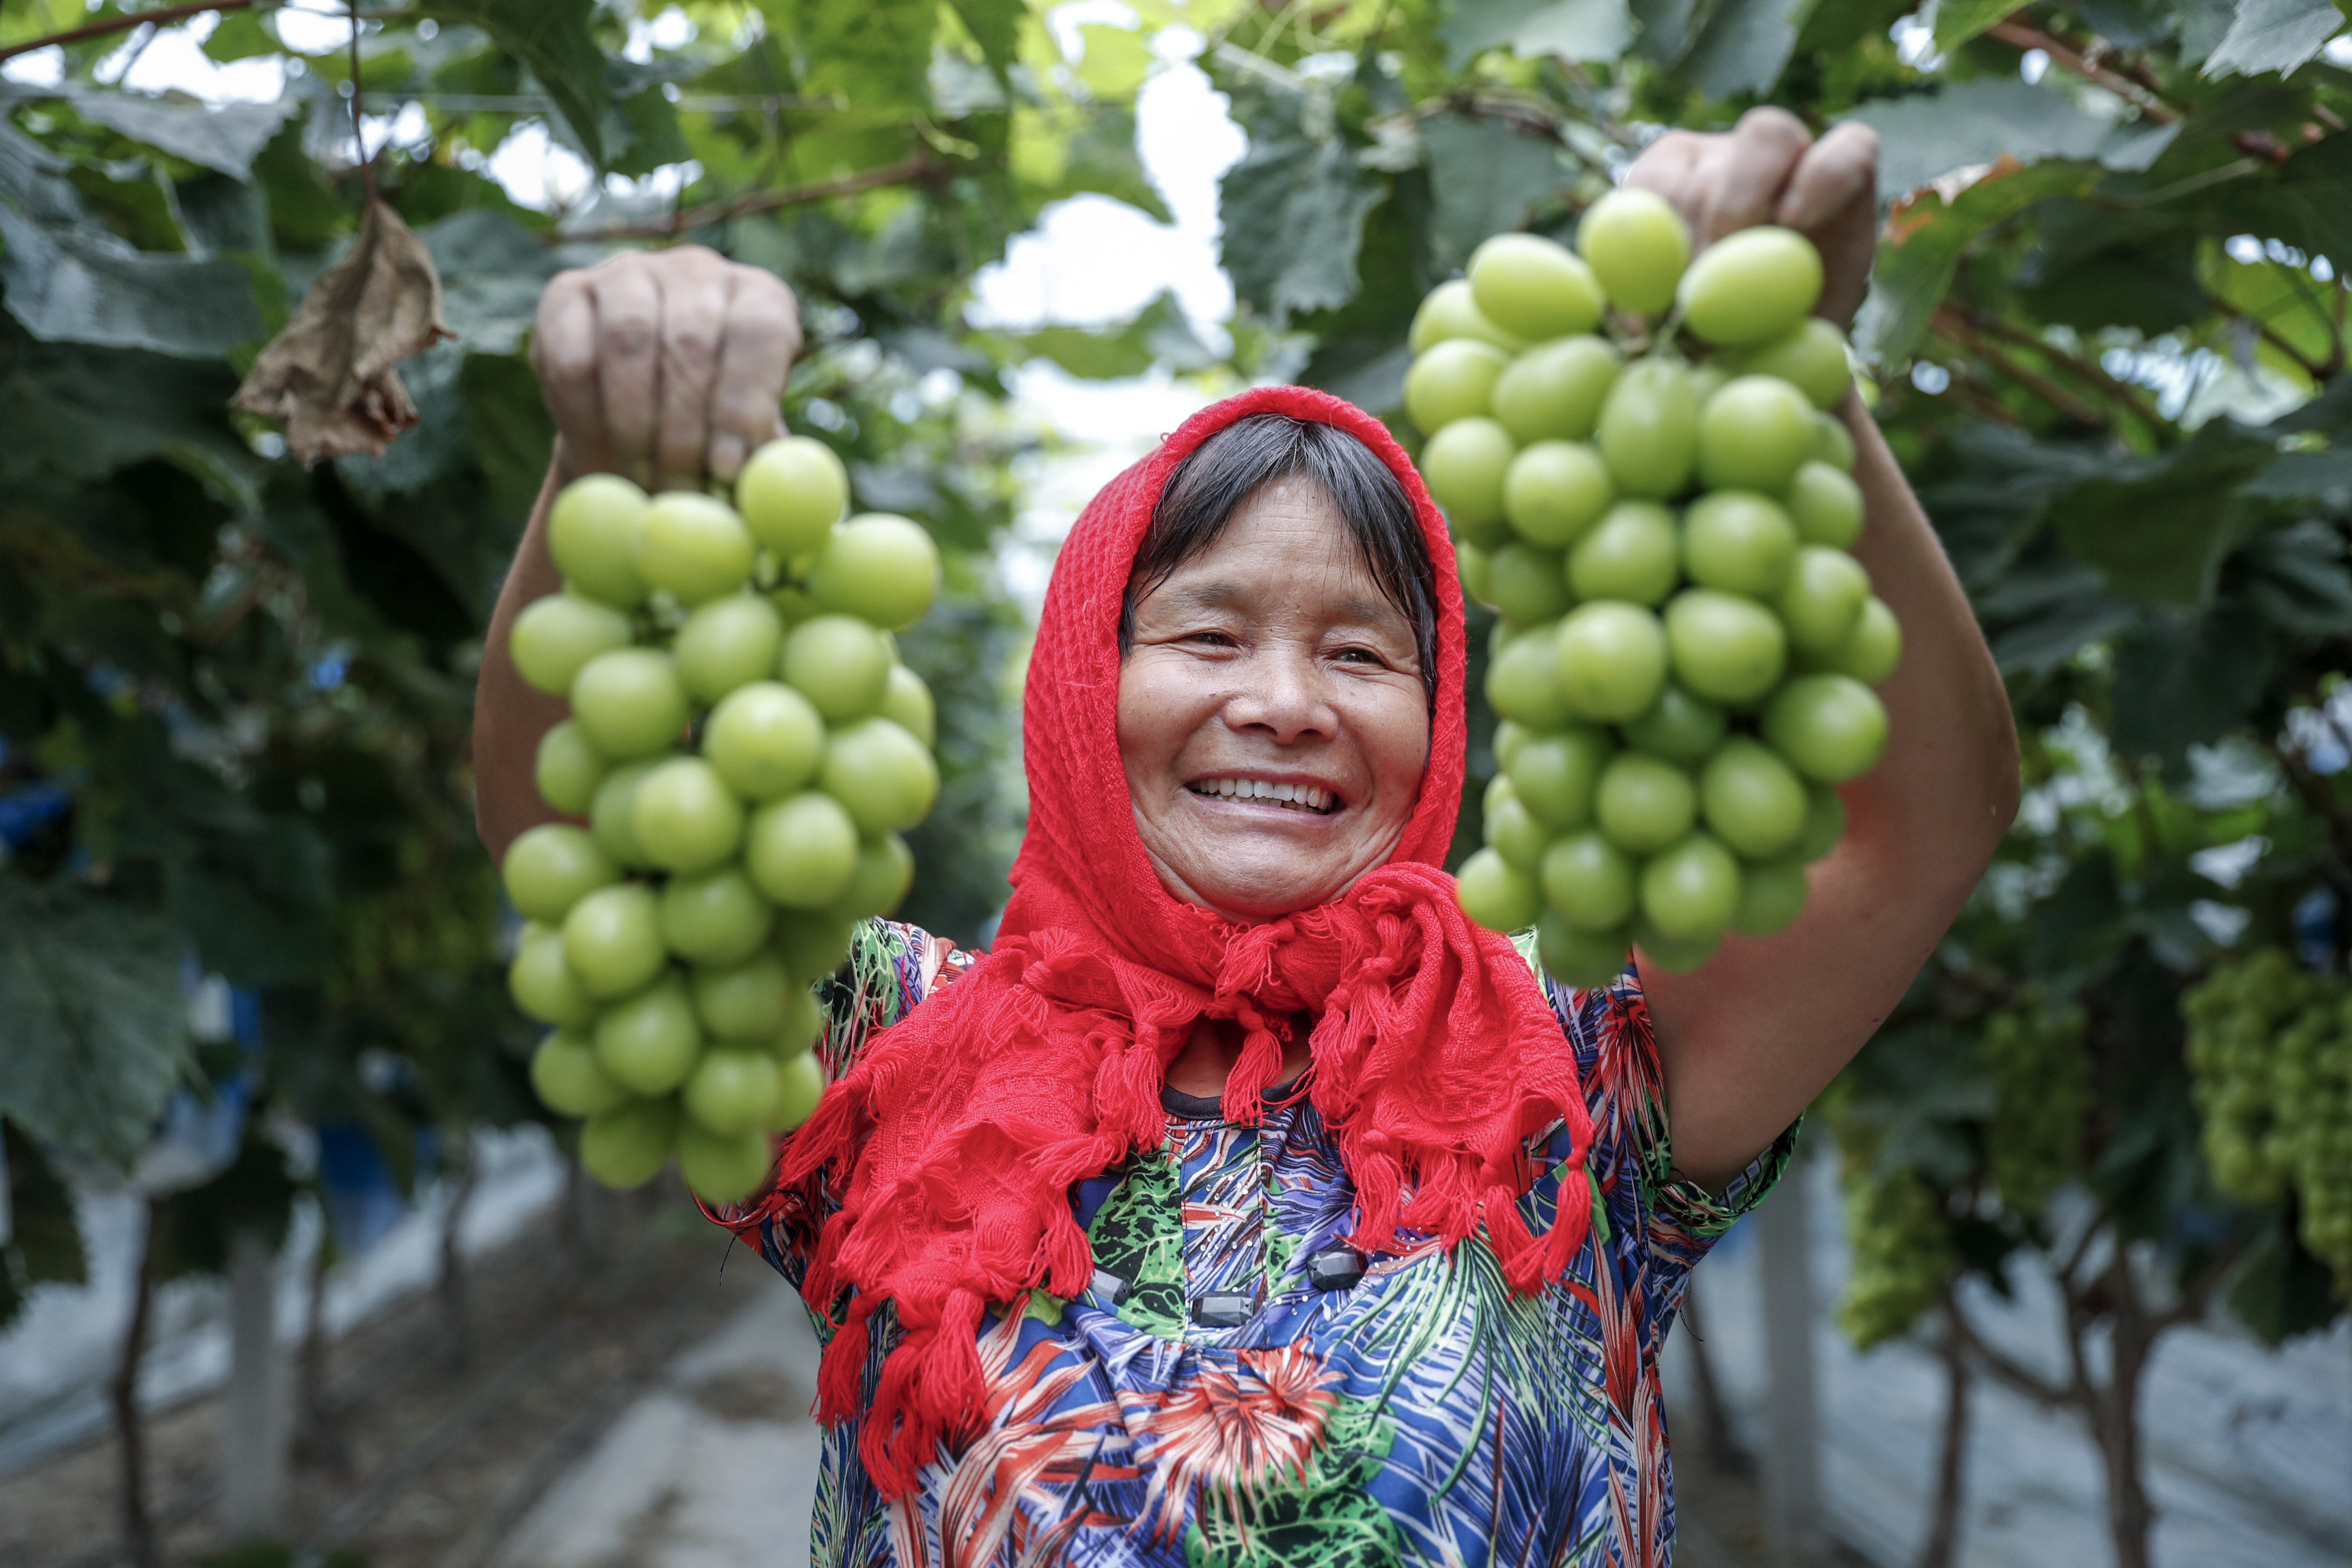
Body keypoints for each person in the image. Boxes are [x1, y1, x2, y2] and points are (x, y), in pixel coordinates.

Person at [474, 109, 2017, 1567]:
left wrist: (1794, 388)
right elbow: (598, 838)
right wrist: (609, 470)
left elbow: (1922, 830)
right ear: (1088, 678)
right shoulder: (906, 1060)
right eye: (1207, 636)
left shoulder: (1571, 1109)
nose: (1283, 703)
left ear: (1446, 718)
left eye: (1362, 656)